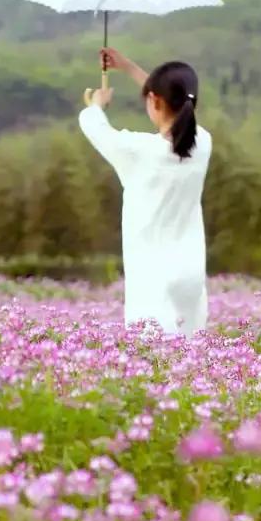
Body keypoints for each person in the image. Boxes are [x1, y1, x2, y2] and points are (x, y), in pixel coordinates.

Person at [78, 49, 212, 337]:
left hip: (154, 275)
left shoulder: (139, 152)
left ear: (154, 101)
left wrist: (96, 105)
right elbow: (175, 103)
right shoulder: (202, 144)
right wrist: (128, 67)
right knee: (191, 360)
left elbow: (93, 126)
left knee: (153, 364)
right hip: (191, 272)